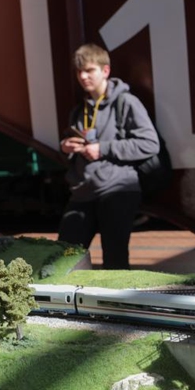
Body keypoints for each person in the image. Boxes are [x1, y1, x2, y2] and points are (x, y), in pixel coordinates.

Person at [58, 43, 159, 269]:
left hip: (118, 189)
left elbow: (150, 144)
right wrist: (66, 148)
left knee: (114, 261)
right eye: (79, 71)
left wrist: (102, 148)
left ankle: (114, 304)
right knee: (63, 258)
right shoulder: (79, 110)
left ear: (105, 71)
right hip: (83, 191)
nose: (83, 76)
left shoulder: (126, 102)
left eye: (89, 70)